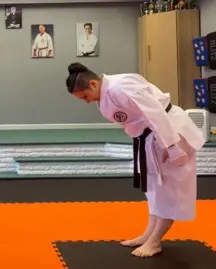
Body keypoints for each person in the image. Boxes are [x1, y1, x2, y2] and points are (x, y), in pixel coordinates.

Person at [64, 62, 205, 257]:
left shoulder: (121, 87)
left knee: (169, 189)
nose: (86, 102)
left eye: (85, 97)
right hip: (151, 138)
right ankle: (149, 234)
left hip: (170, 132)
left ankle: (155, 241)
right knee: (155, 188)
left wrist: (172, 147)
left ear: (94, 84)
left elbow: (155, 114)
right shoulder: (106, 92)